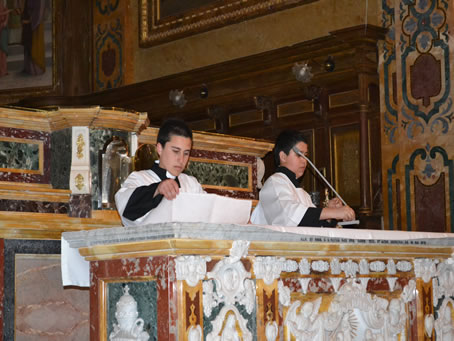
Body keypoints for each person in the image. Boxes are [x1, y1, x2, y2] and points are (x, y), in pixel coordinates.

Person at [251, 130, 355, 227]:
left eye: (305, 155)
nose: (304, 161)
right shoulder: (274, 183)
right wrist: (334, 212)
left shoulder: (303, 194)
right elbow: (290, 218)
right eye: (299, 155)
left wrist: (329, 214)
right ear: (283, 156)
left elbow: (313, 224)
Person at [115, 118, 205, 226]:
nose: (181, 160)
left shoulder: (191, 184)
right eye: (175, 151)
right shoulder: (139, 179)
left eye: (186, 153)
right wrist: (157, 189)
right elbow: (126, 209)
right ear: (160, 149)